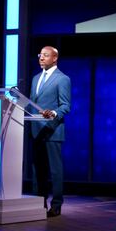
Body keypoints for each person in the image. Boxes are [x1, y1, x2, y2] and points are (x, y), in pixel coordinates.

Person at [30, 46, 71, 217]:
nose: (41, 58)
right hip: (36, 130)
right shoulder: (35, 78)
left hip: (53, 130)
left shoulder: (62, 79)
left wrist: (52, 113)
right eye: (40, 55)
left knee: (54, 170)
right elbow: (32, 102)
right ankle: (40, 203)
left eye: (45, 55)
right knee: (38, 169)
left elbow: (66, 105)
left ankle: (56, 204)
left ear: (54, 58)